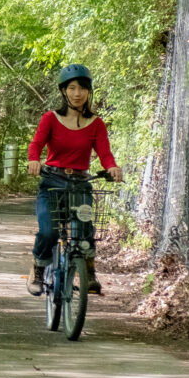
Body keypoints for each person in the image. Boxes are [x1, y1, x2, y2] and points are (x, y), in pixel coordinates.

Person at [25, 64, 122, 297]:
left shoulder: (96, 124)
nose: (77, 93)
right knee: (49, 231)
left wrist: (112, 166)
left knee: (85, 229)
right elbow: (36, 144)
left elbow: (104, 153)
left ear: (89, 92)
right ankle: (38, 268)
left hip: (80, 183)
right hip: (51, 183)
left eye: (82, 88)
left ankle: (89, 270)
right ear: (64, 91)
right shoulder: (50, 118)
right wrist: (33, 160)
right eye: (72, 88)